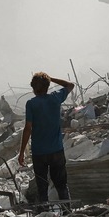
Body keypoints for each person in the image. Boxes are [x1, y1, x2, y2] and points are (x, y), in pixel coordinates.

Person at [16, 71, 75, 206]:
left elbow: (28, 128)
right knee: (61, 186)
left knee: (42, 188)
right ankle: (67, 212)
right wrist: (51, 78)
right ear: (47, 86)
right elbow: (70, 85)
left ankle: (44, 213)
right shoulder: (55, 98)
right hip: (56, 150)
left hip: (39, 153)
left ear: (33, 88)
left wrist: (21, 152)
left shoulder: (31, 104)